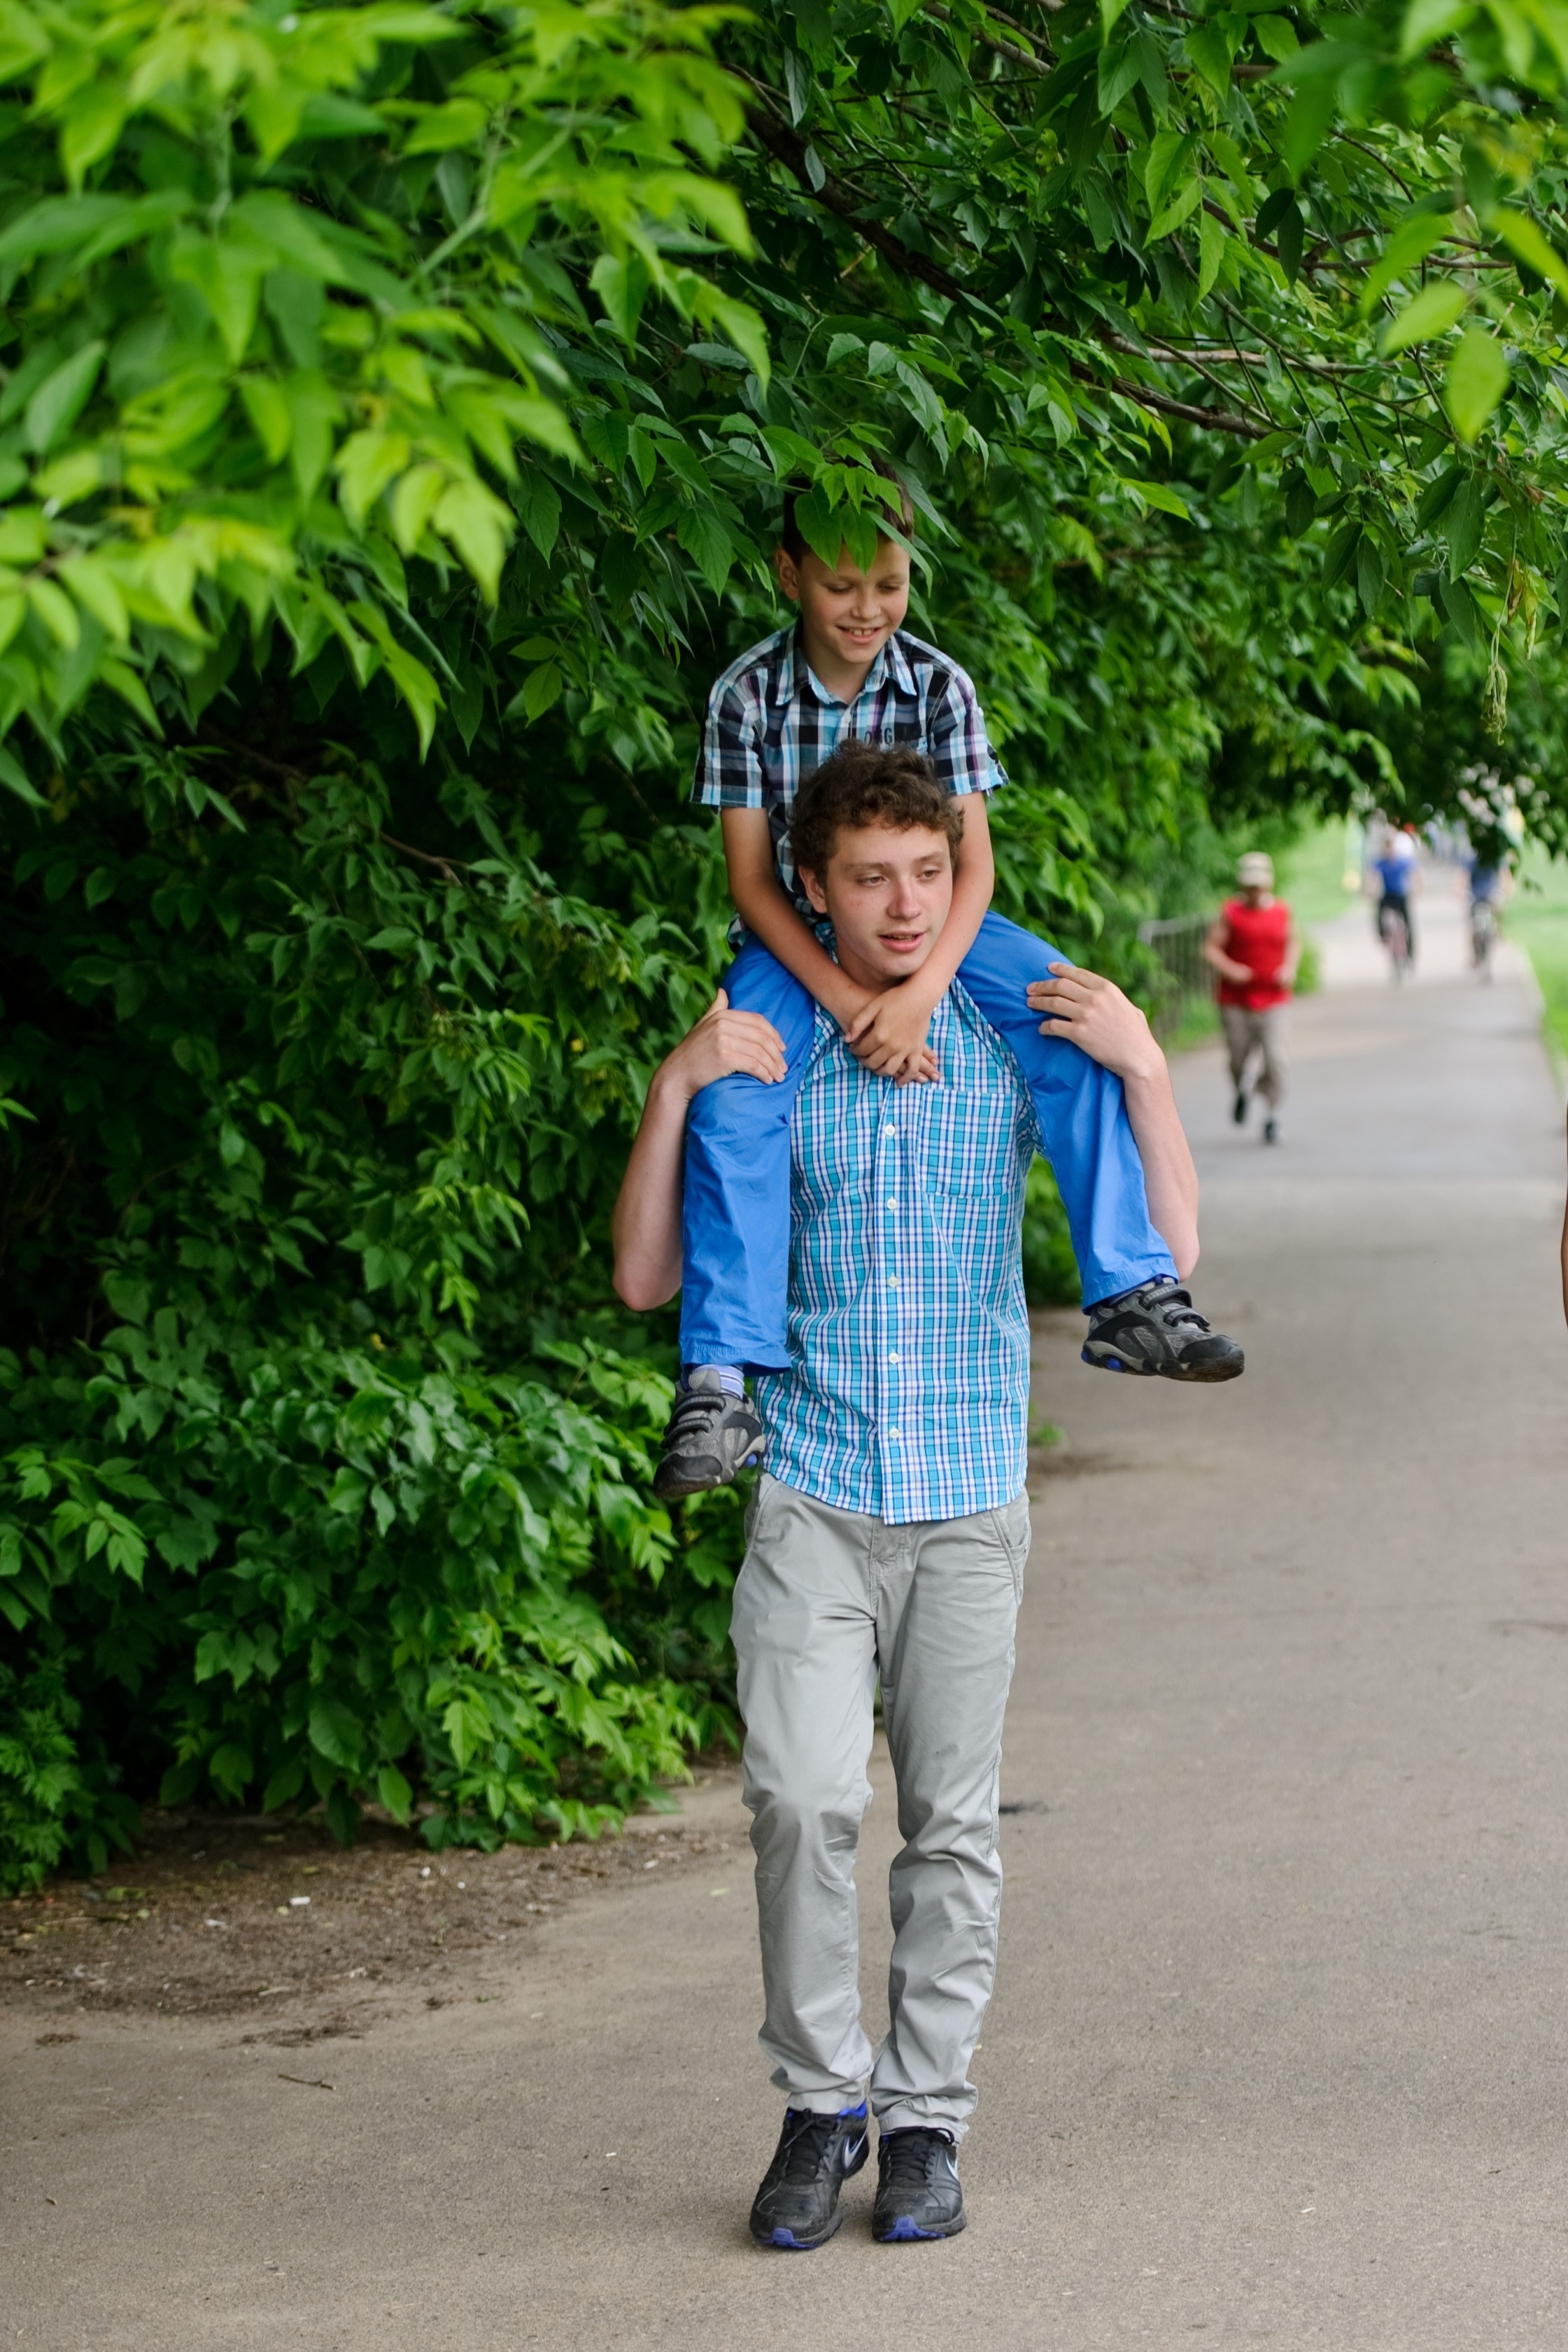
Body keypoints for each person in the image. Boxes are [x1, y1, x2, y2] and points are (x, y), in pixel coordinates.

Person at [614, 742, 1223, 2249]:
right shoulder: (764, 1045)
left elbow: (1174, 1244)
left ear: (959, 877)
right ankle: (821, 2105)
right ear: (807, 893)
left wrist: (1144, 1063)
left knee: (948, 1823)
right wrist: (672, 1083)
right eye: (870, 878)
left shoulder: (1006, 1030)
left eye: (928, 872)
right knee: (802, 1799)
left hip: (962, 1502)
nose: (902, 904)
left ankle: (928, 2121)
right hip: (810, 1497)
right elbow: (643, 1273)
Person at [656, 470, 1242, 1500]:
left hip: (941, 926)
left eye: (889, 583)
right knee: (738, 1084)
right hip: (802, 932)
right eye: (842, 586)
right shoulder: (745, 695)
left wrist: (921, 990)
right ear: (788, 574)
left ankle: (1130, 1288)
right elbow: (753, 881)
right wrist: (844, 1002)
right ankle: (721, 1373)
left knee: (1070, 1019)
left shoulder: (938, 685)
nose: (867, 610)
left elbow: (971, 867)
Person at [1203, 850, 1299, 1146]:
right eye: (1249, 885)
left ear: (1267, 884)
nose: (1254, 891)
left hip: (1274, 998)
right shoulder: (1230, 912)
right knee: (1238, 1060)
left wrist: (1289, 968)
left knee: (1276, 1058)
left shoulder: (1282, 911)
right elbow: (1210, 949)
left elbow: (1293, 941)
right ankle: (1244, 1090)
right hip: (1236, 1000)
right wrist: (1232, 970)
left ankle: (1272, 1116)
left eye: (1259, 885)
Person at [1369, 824, 1422, 967]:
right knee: (1379, 912)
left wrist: (1417, 889)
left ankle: (1410, 954)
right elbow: (1372, 878)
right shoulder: (1381, 863)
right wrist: (1370, 891)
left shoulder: (1402, 861)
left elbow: (1416, 873)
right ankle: (1382, 935)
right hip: (1388, 895)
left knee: (1408, 923)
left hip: (1401, 895)